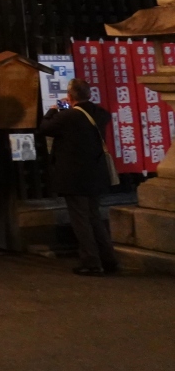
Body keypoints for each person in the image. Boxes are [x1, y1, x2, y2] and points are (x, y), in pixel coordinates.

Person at [38, 78, 119, 276]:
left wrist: (54, 109)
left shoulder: (68, 116)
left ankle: (91, 262)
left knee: (80, 220)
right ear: (89, 94)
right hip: (96, 173)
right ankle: (109, 260)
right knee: (94, 217)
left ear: (71, 96)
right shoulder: (100, 113)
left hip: (74, 177)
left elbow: (44, 128)